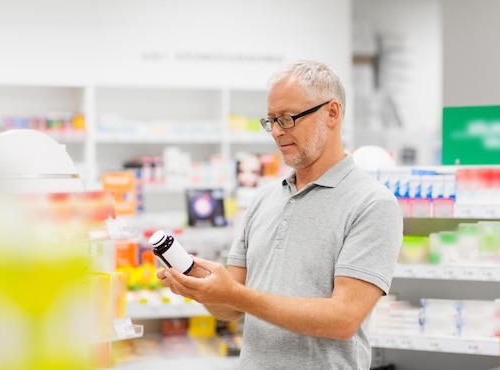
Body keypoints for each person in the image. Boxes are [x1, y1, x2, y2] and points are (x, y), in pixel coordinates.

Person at [157, 60, 403, 369]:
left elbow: (343, 319)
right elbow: (230, 307)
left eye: (287, 118)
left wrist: (237, 295)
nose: (275, 132)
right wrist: (201, 288)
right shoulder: (264, 198)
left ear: (332, 113)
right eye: (270, 120)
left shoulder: (372, 203)